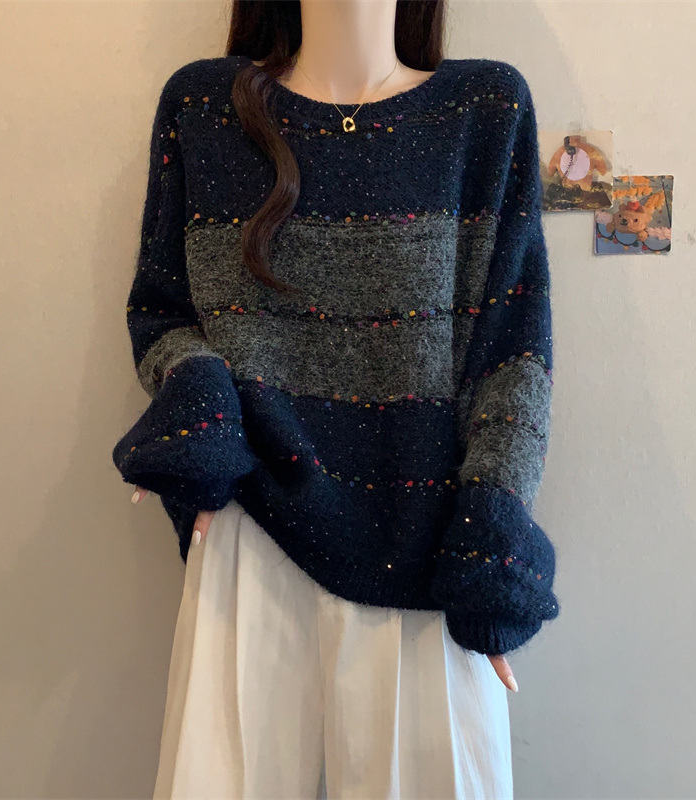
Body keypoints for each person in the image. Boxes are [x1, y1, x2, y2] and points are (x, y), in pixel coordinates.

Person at [112, 1, 560, 797]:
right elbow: (163, 310)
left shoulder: (484, 109)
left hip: (430, 546)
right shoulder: (203, 106)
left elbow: (512, 355)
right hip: (252, 533)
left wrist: (494, 531)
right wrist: (200, 403)